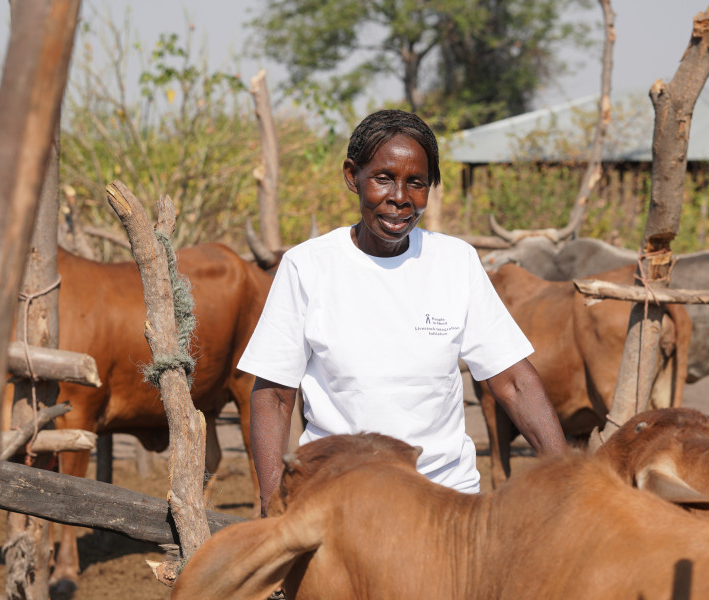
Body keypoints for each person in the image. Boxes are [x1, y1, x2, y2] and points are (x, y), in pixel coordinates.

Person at [238, 109, 568, 516]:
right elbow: (272, 396)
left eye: (417, 182)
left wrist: (568, 479)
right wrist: (274, 504)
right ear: (351, 176)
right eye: (383, 178)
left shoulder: (455, 261)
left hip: (445, 498)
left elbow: (515, 381)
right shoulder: (308, 266)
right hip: (339, 497)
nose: (400, 197)